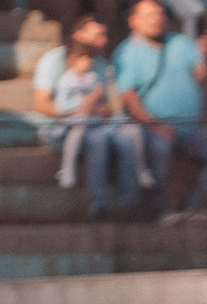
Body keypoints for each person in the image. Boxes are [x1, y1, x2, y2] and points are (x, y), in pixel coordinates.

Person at [35, 14, 146, 217]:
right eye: (97, 35)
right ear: (78, 35)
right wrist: (79, 111)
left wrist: (103, 110)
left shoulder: (102, 65)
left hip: (94, 123)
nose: (102, 41)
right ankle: (98, 203)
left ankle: (131, 201)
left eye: (104, 36)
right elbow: (42, 103)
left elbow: (108, 104)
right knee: (98, 139)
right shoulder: (54, 59)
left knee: (127, 137)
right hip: (63, 129)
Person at [113, 0, 207, 221]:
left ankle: (197, 204)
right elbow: (129, 97)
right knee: (160, 147)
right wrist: (156, 126)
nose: (156, 19)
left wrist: (206, 53)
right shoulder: (126, 52)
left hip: (193, 124)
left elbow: (201, 74)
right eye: (148, 15)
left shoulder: (182, 42)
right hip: (153, 126)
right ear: (133, 21)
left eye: (159, 13)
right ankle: (164, 208)